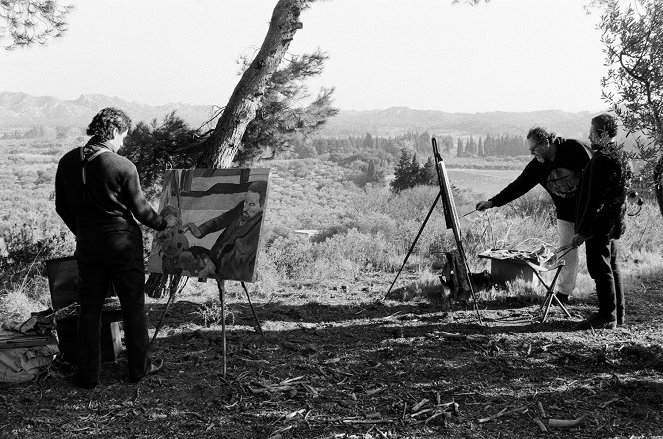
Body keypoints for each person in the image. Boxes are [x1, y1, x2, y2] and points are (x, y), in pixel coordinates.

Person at [55, 107, 178, 388]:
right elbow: (141, 211)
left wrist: (83, 232)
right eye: (123, 135)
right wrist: (164, 224)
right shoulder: (122, 165)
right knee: (132, 305)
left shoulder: (66, 162)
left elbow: (62, 207)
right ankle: (138, 368)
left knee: (89, 308)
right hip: (123, 245)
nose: (123, 142)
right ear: (112, 132)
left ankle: (88, 375)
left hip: (87, 245)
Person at [475, 128, 591, 303]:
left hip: (590, 210)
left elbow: (598, 173)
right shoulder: (537, 166)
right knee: (566, 255)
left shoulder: (574, 149)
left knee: (598, 257)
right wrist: (492, 202)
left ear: (546, 142)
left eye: (534, 148)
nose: (531, 153)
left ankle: (608, 298)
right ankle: (564, 293)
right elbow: (518, 186)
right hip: (566, 214)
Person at [572, 114, 628, 330]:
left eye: (592, 131)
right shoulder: (619, 155)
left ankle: (606, 316)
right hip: (612, 223)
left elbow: (595, 198)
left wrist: (583, 230)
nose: (589, 135)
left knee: (600, 268)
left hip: (598, 226)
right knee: (612, 267)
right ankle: (617, 315)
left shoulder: (604, 159)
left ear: (603, 133)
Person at [184, 180, 267, 281]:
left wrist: (211, 267)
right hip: (214, 258)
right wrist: (200, 231)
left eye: (252, 205)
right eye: (246, 202)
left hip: (229, 271)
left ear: (263, 207)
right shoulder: (242, 208)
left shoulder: (259, 227)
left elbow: (242, 261)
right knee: (189, 254)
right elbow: (221, 220)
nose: (245, 208)